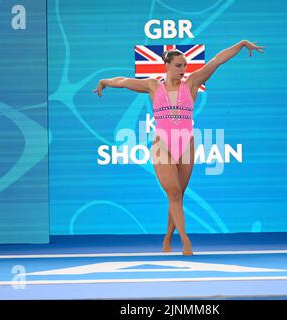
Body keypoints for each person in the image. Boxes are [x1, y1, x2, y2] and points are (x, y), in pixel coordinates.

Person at [93, 40, 265, 255]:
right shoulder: (152, 86)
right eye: (178, 65)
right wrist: (104, 81)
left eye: (185, 65)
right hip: (161, 145)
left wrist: (241, 44)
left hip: (186, 145)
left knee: (178, 195)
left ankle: (166, 240)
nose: (183, 70)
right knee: (173, 193)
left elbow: (217, 61)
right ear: (167, 65)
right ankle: (185, 241)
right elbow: (123, 81)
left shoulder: (192, 83)